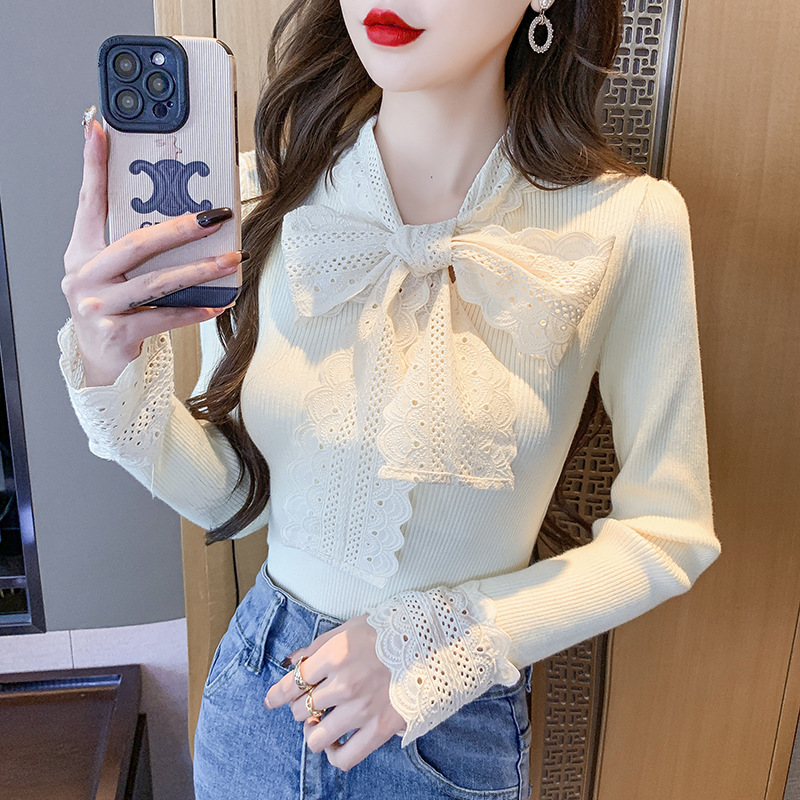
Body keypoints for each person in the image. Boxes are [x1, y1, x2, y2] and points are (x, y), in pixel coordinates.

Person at [59, 1, 722, 798]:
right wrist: (111, 366)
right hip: (259, 699)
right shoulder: (255, 196)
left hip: (449, 728)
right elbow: (232, 496)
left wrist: (442, 640)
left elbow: (670, 534)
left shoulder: (631, 222)